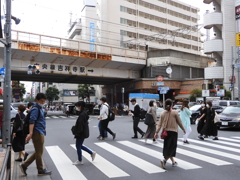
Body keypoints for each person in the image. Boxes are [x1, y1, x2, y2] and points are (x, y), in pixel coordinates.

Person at [19, 93, 52, 176]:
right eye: (41, 101)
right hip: (37, 132)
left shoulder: (40, 108)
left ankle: (24, 165)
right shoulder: (35, 109)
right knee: (39, 152)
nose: (43, 102)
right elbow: (32, 121)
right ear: (37, 100)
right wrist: (30, 133)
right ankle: (40, 170)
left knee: (39, 151)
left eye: (44, 101)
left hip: (40, 131)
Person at [154, 99, 186, 170]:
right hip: (173, 132)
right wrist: (183, 129)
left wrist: (156, 133)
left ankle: (173, 162)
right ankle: (164, 160)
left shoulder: (162, 113)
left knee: (167, 147)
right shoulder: (175, 112)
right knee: (172, 148)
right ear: (172, 105)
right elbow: (179, 122)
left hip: (165, 132)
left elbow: (159, 124)